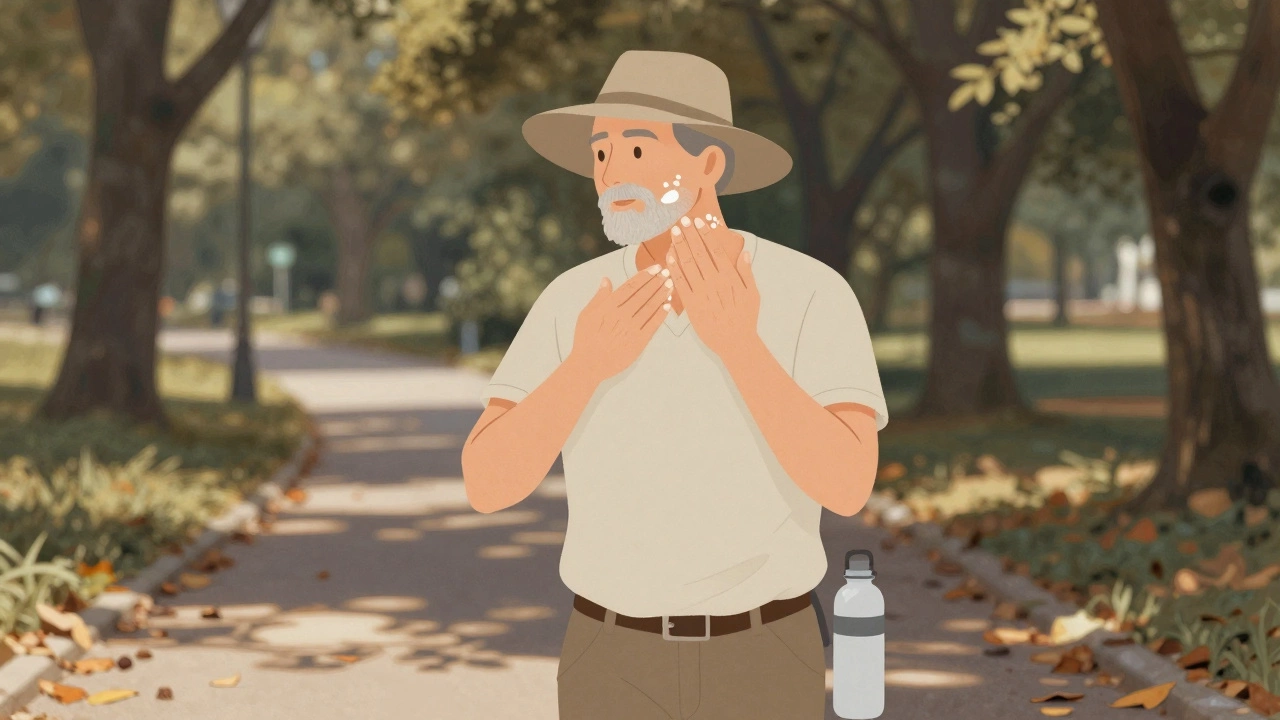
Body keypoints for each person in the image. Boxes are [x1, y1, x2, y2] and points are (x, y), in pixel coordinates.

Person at [461, 50, 888, 720]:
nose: (610, 175)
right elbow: (487, 482)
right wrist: (584, 366)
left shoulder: (810, 293)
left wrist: (740, 346)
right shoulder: (571, 299)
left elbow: (848, 481)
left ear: (710, 163)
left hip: (765, 651)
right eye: (601, 154)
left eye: (636, 150)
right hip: (608, 655)